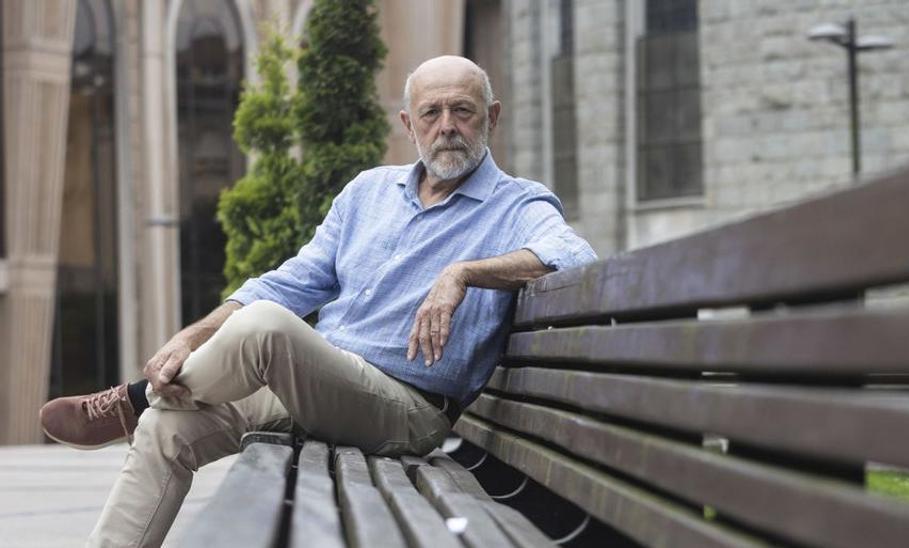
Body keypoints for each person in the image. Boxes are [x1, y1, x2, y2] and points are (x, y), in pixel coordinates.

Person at [37, 55, 596, 547]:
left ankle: (130, 402)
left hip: (407, 410)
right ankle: (141, 422)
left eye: (463, 111)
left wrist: (464, 273)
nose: (446, 126)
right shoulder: (368, 193)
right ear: (408, 124)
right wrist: (190, 336)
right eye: (431, 113)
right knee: (167, 430)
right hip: (316, 386)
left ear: (492, 117)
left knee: (267, 329)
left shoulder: (515, 204)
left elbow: (573, 256)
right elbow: (290, 280)